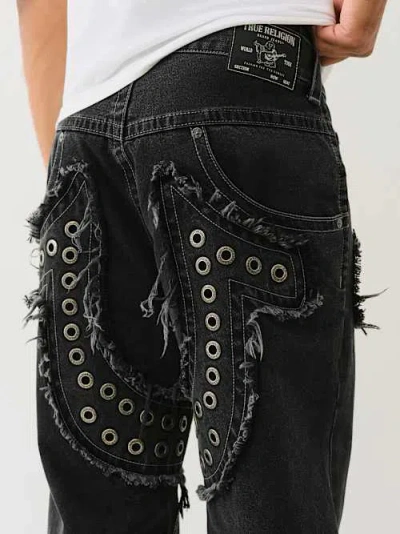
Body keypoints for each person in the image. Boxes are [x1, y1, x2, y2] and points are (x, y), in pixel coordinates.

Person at [18, 1, 388, 533]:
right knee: (272, 511)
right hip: (237, 72)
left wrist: (67, 167)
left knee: (100, 515)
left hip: (83, 122)